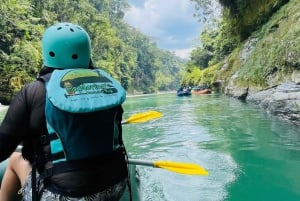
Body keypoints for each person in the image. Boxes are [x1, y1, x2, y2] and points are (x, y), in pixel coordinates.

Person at [0, 22, 129, 201]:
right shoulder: (105, 85)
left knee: (14, 159)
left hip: (62, 194)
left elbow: (2, 149)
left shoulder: (34, 91)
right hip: (115, 185)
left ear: (48, 53)